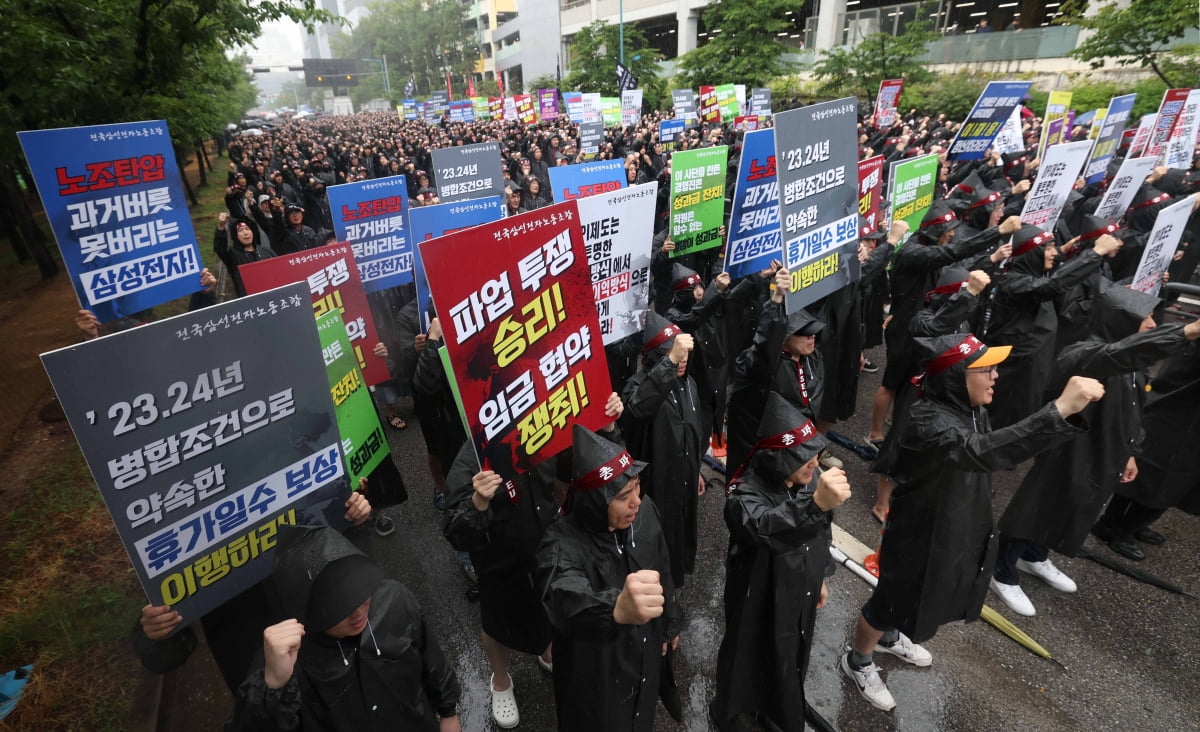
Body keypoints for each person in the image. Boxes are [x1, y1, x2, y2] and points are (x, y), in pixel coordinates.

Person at [840, 333, 1104, 712]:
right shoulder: (928, 418)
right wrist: (1058, 410)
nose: (996, 376)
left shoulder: (968, 406)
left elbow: (993, 443)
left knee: (917, 597)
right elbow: (981, 451)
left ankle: (889, 638)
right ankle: (858, 661)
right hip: (918, 532)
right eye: (987, 369)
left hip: (954, 523)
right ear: (954, 376)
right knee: (889, 600)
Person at [992, 282, 1200, 615]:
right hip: (1070, 449)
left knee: (1076, 507)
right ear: (1122, 319)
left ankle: (1035, 555)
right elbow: (1118, 355)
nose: (1152, 324)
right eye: (1146, 317)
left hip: (1105, 452)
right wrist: (1187, 331)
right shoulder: (1086, 354)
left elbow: (1135, 409)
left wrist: (1131, 450)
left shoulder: (1132, 365)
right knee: (1042, 505)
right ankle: (1001, 569)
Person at [442, 392, 626, 729]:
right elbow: (455, 532)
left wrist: (607, 427)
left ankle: (546, 652)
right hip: (499, 559)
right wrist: (478, 502)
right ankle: (501, 680)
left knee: (550, 608)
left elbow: (582, 468)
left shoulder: (542, 425)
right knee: (497, 623)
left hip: (547, 546)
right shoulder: (474, 455)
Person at [709, 394, 851, 732]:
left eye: (815, 456)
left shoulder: (810, 480)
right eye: (803, 458)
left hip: (798, 587)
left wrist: (820, 577)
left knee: (789, 654)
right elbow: (763, 527)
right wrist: (814, 505)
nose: (813, 465)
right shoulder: (743, 495)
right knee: (749, 653)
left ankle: (778, 708)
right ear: (776, 456)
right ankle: (729, 713)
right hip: (757, 594)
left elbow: (821, 534)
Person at [234, 525, 462, 731]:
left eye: (362, 594)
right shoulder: (283, 661)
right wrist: (273, 687)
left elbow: (430, 658)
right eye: (338, 609)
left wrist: (448, 712)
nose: (357, 613)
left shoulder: (395, 599)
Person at [536, 425, 682, 732]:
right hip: (597, 670)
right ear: (593, 501)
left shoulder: (644, 514)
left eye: (638, 487)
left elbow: (663, 566)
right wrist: (615, 608)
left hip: (647, 648)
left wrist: (669, 623)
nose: (637, 502)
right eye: (623, 496)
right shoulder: (560, 543)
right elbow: (564, 596)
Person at [620, 313, 703, 589]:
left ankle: (671, 597)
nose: (681, 360)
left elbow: (692, 432)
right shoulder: (637, 387)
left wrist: (697, 469)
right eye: (671, 354)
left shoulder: (689, 385)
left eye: (683, 353)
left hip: (684, 480)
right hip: (655, 486)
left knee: (678, 542)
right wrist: (669, 363)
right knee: (654, 549)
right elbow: (638, 409)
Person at [213, 214, 278, 298]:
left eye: (247, 229)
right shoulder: (233, 255)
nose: (245, 233)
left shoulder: (267, 251)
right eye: (240, 230)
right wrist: (221, 226)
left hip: (275, 296)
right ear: (235, 236)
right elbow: (220, 249)